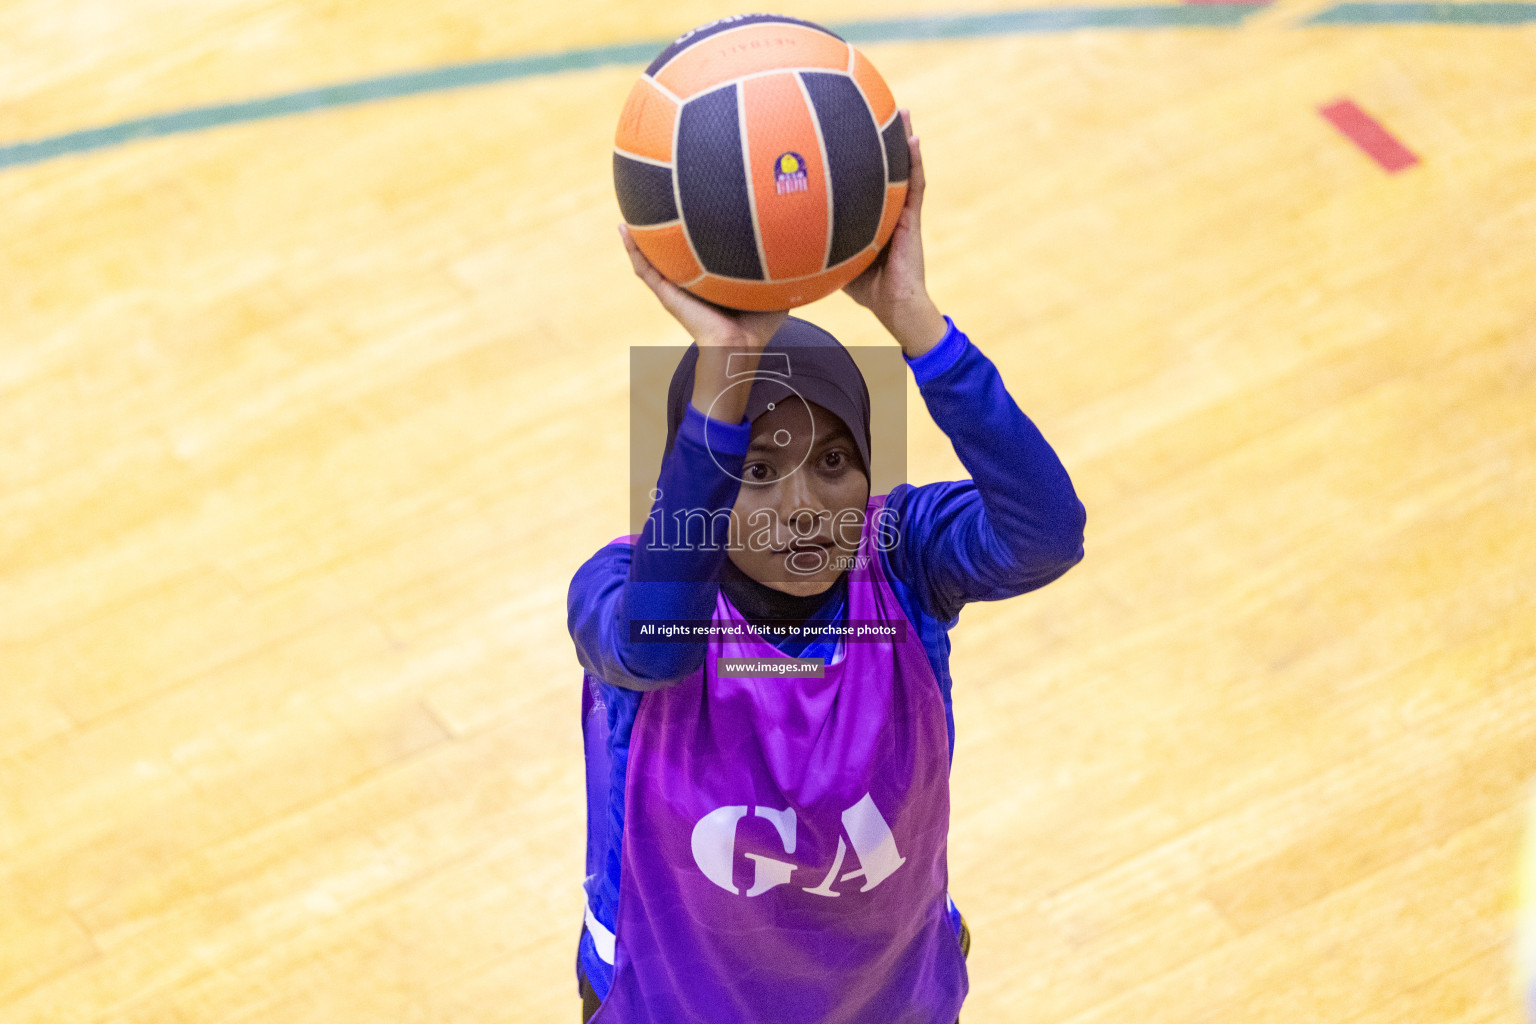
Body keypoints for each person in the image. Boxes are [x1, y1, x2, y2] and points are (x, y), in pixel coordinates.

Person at [568, 112, 1086, 1024]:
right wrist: (726, 364)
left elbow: (1047, 532)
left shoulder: (903, 554)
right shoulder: (620, 587)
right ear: (699, 470)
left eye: (836, 463)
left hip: (892, 999)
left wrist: (916, 324)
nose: (804, 504)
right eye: (756, 469)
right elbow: (653, 650)